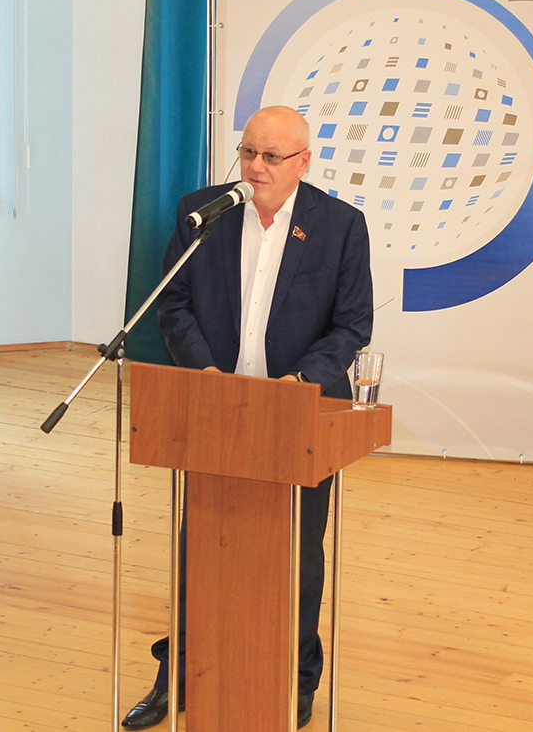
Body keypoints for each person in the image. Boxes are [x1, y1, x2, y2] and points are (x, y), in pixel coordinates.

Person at [122, 105, 373, 730]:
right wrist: (204, 372)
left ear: (303, 162)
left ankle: (296, 677)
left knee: (298, 553)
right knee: (200, 545)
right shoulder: (204, 212)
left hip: (300, 412)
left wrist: (298, 382)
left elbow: (352, 324)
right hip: (215, 405)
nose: (256, 167)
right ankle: (180, 674)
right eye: (248, 152)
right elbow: (173, 301)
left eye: (272, 156)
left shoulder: (340, 226)